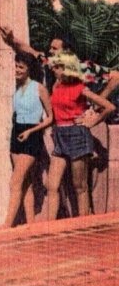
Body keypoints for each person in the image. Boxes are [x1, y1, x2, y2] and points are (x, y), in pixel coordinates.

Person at [47, 51, 115, 219]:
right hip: (60, 136)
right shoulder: (56, 86)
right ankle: (48, 227)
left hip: (77, 135)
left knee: (80, 187)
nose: (53, 69)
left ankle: (82, 225)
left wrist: (92, 121)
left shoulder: (80, 88)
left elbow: (109, 107)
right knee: (51, 184)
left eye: (57, 67)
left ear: (67, 68)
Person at [0, 26, 119, 104]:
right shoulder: (50, 64)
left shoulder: (84, 68)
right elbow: (31, 51)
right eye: (50, 48)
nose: (50, 51)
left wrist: (98, 103)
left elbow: (116, 76)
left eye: (54, 48)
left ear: (67, 52)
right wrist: (12, 39)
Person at [4, 52, 53, 228]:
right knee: (26, 183)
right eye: (16, 66)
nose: (17, 70)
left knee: (15, 181)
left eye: (21, 67)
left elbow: (50, 118)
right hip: (17, 134)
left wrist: (31, 131)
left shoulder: (39, 88)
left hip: (32, 135)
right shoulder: (16, 88)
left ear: (29, 69)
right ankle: (30, 223)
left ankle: (7, 225)